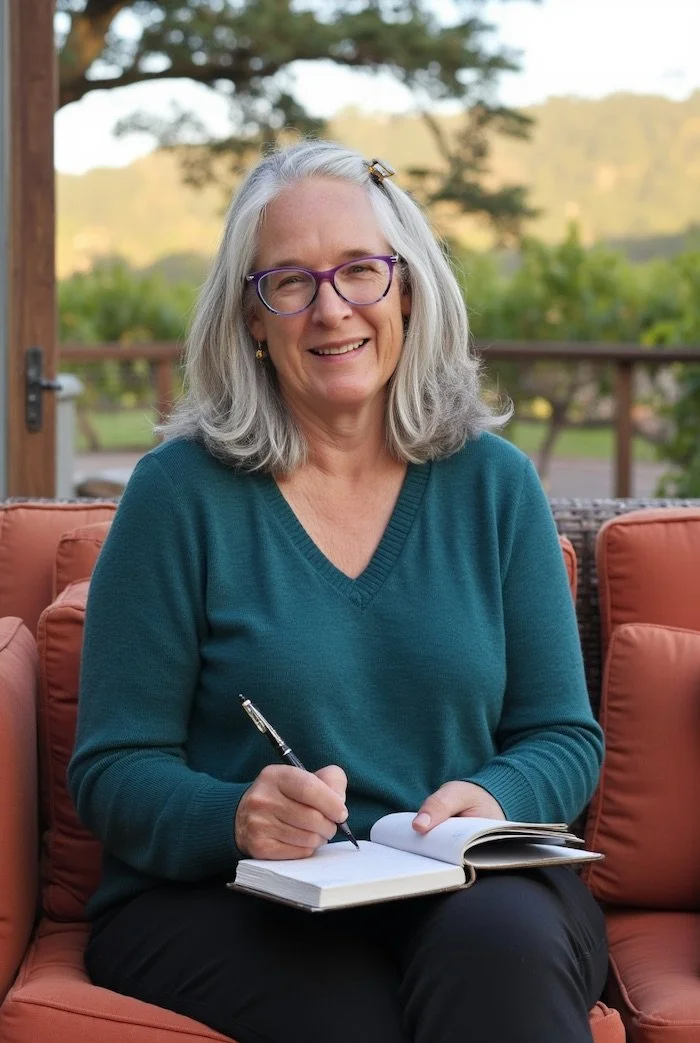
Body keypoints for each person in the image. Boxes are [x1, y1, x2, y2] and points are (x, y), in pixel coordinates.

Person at [68, 139, 608, 1043]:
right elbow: (112, 769)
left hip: (465, 889)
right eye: (291, 282)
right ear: (250, 317)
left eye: (361, 271)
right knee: (348, 1009)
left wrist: (499, 794)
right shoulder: (176, 497)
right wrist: (233, 813)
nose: (331, 310)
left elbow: (563, 735)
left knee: (500, 959)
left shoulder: (496, 486)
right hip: (235, 896)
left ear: (406, 289)